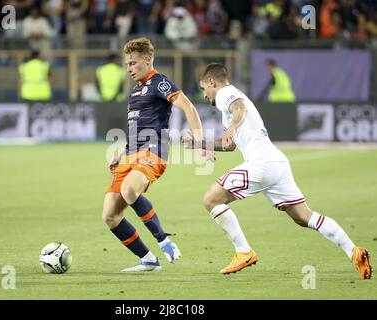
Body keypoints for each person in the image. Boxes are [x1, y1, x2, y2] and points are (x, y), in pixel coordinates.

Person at [184, 63, 372, 279]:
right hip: (276, 163)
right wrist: (200, 143)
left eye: (203, 88)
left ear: (212, 82)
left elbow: (240, 108)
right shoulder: (229, 103)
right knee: (304, 217)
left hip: (261, 164)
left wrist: (233, 126)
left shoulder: (226, 94)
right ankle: (354, 252)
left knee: (211, 200)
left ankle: (243, 251)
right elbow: (229, 145)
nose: (204, 94)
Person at [103, 37, 212, 272]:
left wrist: (201, 142)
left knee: (130, 189)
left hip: (153, 152)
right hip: (131, 153)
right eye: (127, 64)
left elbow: (189, 107)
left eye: (133, 63)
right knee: (110, 216)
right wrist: (122, 153)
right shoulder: (134, 92)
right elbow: (136, 128)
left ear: (148, 59)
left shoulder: (159, 83)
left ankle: (164, 240)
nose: (129, 69)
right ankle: (149, 260)